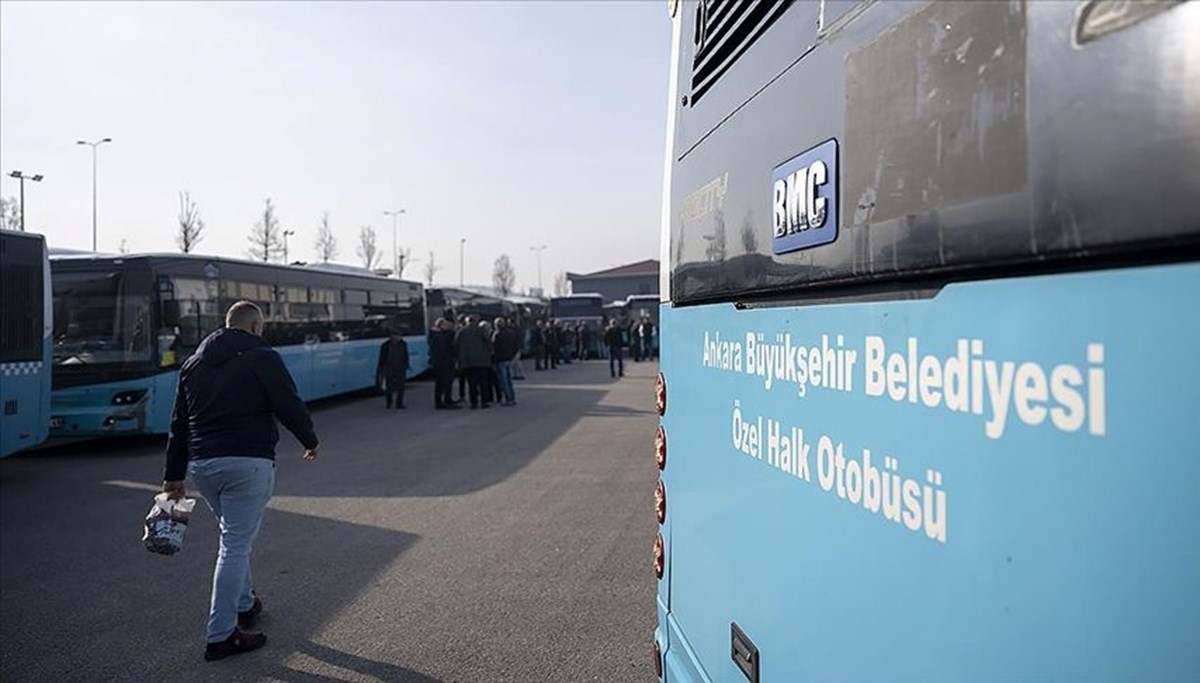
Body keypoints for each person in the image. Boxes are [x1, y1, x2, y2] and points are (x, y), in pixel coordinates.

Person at [161, 300, 319, 662]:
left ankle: (246, 604)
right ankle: (221, 635)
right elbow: (287, 402)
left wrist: (173, 475)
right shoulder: (262, 356)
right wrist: (309, 440)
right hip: (248, 462)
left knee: (232, 535)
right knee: (234, 545)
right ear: (255, 327)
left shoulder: (193, 364)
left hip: (204, 466)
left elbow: (179, 424)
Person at [455, 315, 493, 409]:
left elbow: (455, 344)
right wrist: (490, 352)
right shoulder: (481, 330)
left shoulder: (462, 331)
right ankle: (484, 402)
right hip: (482, 361)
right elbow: (488, 342)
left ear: (467, 321)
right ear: (476, 321)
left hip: (468, 362)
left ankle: (474, 403)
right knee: (483, 382)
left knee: (472, 383)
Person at [429, 318, 460, 409]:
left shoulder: (434, 335)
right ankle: (443, 402)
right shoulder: (440, 336)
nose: (447, 327)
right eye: (446, 325)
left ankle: (445, 400)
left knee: (442, 382)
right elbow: (449, 347)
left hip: (440, 362)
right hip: (444, 362)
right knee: (444, 382)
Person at [376, 330, 409, 409]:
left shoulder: (403, 344)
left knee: (401, 386)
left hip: (400, 367)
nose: (399, 337)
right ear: (392, 336)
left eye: (400, 336)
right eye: (397, 336)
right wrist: (382, 368)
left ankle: (399, 403)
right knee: (389, 386)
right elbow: (382, 358)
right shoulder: (385, 345)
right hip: (389, 367)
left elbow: (405, 355)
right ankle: (389, 402)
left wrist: (406, 365)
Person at [491, 317, 519, 406]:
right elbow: (515, 346)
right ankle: (512, 398)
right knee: (509, 380)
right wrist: (512, 356)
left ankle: (508, 399)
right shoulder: (511, 333)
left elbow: (494, 349)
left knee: (503, 381)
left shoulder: (497, 335)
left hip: (500, 360)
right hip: (508, 359)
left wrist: (493, 361)